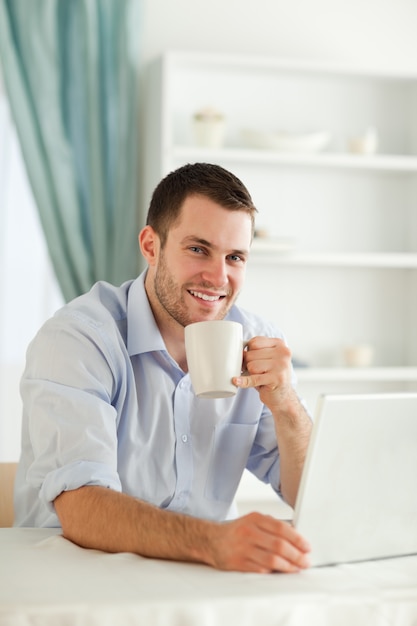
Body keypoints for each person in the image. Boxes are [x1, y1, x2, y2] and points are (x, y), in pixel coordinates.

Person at [14, 162, 313, 574]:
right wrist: (214, 541)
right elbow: (82, 506)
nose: (218, 276)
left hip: (200, 578)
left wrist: (287, 407)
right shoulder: (78, 339)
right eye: (198, 249)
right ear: (151, 246)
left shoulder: (257, 339)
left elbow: (311, 496)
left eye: (235, 257)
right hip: (75, 577)